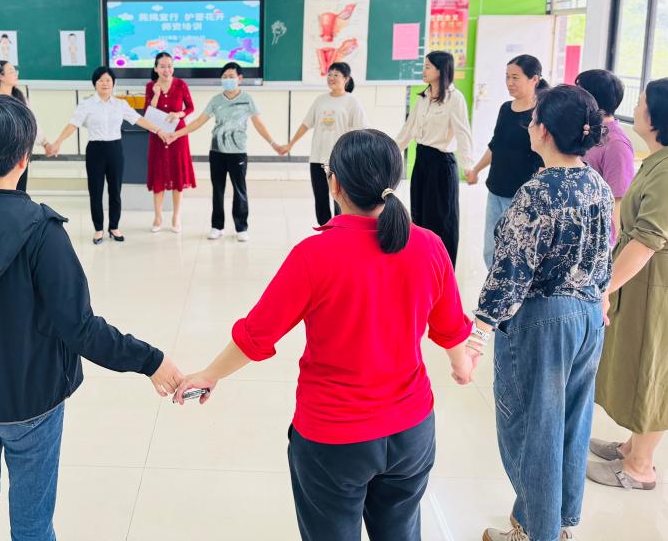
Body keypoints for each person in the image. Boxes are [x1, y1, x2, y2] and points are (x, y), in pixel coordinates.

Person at [0, 94, 184, 541]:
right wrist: (150, 360)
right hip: (31, 401)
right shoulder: (40, 229)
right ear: (23, 158)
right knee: (32, 523)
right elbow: (80, 328)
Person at [175, 129, 475, 541]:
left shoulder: (314, 255)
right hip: (412, 431)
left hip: (334, 438)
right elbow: (451, 329)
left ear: (334, 184)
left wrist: (210, 374)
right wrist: (462, 365)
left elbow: (257, 335)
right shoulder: (429, 245)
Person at [469, 84, 613, 541]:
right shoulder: (596, 183)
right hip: (588, 317)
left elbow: (510, 270)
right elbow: (605, 250)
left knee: (533, 428)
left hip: (545, 320)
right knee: (572, 424)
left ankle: (539, 531)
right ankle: (556, 522)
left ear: (545, 131)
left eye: (533, 119)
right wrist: (600, 296)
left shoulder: (538, 192)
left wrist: (478, 332)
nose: (529, 125)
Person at [589, 78, 668, 492]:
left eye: (641, 102)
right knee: (639, 360)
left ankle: (640, 466)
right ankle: (631, 447)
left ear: (658, 117)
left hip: (658, 278)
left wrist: (604, 289)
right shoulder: (665, 158)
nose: (635, 108)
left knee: (654, 364)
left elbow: (646, 241)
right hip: (648, 275)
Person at [166, 62, 283, 242]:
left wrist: (273, 143)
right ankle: (217, 226)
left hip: (238, 152)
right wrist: (177, 134)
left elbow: (258, 123)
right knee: (217, 190)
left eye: (231, 76)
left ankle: (241, 228)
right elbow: (199, 121)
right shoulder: (216, 100)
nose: (228, 79)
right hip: (217, 152)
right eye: (225, 77)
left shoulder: (247, 99)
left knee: (239, 190)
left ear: (240, 79)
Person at [48, 66, 165, 244]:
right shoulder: (86, 104)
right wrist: (58, 142)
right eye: (101, 80)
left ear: (113, 83)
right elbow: (73, 124)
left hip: (115, 149)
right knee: (95, 191)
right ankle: (98, 229)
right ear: (95, 83)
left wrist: (159, 130)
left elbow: (138, 119)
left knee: (115, 191)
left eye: (108, 80)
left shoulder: (120, 104)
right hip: (95, 150)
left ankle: (114, 227)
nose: (105, 83)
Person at [466, 55, 547, 268]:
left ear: (534, 79)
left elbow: (544, 158)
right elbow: (496, 145)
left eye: (515, 77)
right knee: (491, 251)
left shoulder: (541, 113)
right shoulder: (505, 108)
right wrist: (476, 170)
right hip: (496, 189)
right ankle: (495, 287)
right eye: (507, 77)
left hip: (522, 195)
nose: (510, 82)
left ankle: (512, 289)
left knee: (516, 253)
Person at [396, 51, 474, 267]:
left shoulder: (454, 98)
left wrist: (468, 166)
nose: (424, 70)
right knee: (419, 217)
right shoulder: (422, 97)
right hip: (421, 161)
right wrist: (388, 153)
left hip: (441, 165)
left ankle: (443, 269)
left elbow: (463, 134)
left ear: (441, 70)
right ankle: (422, 265)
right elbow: (407, 130)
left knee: (441, 221)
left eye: (428, 66)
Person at [283, 62, 368, 226]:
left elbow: (363, 129)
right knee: (320, 197)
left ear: (346, 79)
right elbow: (306, 124)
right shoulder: (320, 100)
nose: (331, 78)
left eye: (336, 75)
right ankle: (325, 230)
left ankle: (340, 229)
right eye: (330, 74)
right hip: (318, 157)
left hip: (340, 159)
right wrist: (290, 144)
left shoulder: (352, 102)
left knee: (340, 199)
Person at [575, 69, 635, 245]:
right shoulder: (588, 131)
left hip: (596, 241)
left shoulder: (616, 144)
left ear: (591, 99)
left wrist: (612, 250)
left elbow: (619, 202)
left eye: (579, 93)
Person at [144, 52, 196, 232]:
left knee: (177, 175)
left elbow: (190, 108)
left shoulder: (181, 85)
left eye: (169, 66)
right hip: (158, 135)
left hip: (177, 135)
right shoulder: (150, 86)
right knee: (159, 175)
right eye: (162, 66)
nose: (167, 70)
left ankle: (176, 216)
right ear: (156, 68)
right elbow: (148, 111)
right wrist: (156, 94)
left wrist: (179, 114)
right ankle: (158, 217)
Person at [0, 60, 50, 192]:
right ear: (0, 76)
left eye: (15, 71)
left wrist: (45, 143)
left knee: (19, 191)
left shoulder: (19, 97)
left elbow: (31, 122)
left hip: (19, 153)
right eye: (11, 71)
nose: (15, 74)